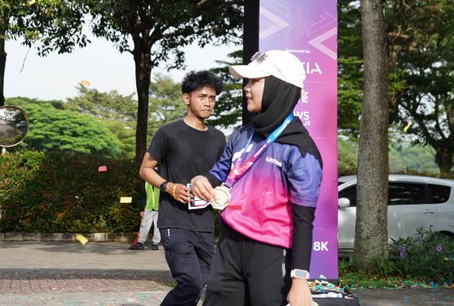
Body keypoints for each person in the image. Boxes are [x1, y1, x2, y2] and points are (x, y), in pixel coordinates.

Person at [191, 50, 323, 306]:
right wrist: (201, 179)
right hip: (229, 244)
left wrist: (299, 280)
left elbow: (304, 219)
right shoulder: (242, 135)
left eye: (255, 81)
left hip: (271, 253)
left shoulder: (301, 151)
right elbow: (219, 172)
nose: (246, 88)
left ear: (278, 87)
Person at [139, 70, 226, 306]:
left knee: (208, 281)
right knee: (190, 283)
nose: (208, 103)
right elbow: (145, 169)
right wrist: (169, 187)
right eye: (202, 96)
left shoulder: (219, 138)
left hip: (205, 223)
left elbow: (222, 175)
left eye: (212, 98)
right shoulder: (168, 133)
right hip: (174, 222)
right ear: (186, 98)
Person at [129, 181, 161, 250]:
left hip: (159, 208)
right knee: (145, 225)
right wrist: (142, 209)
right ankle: (140, 242)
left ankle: (155, 243)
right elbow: (143, 197)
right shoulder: (145, 183)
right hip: (148, 207)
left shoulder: (159, 182)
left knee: (158, 226)